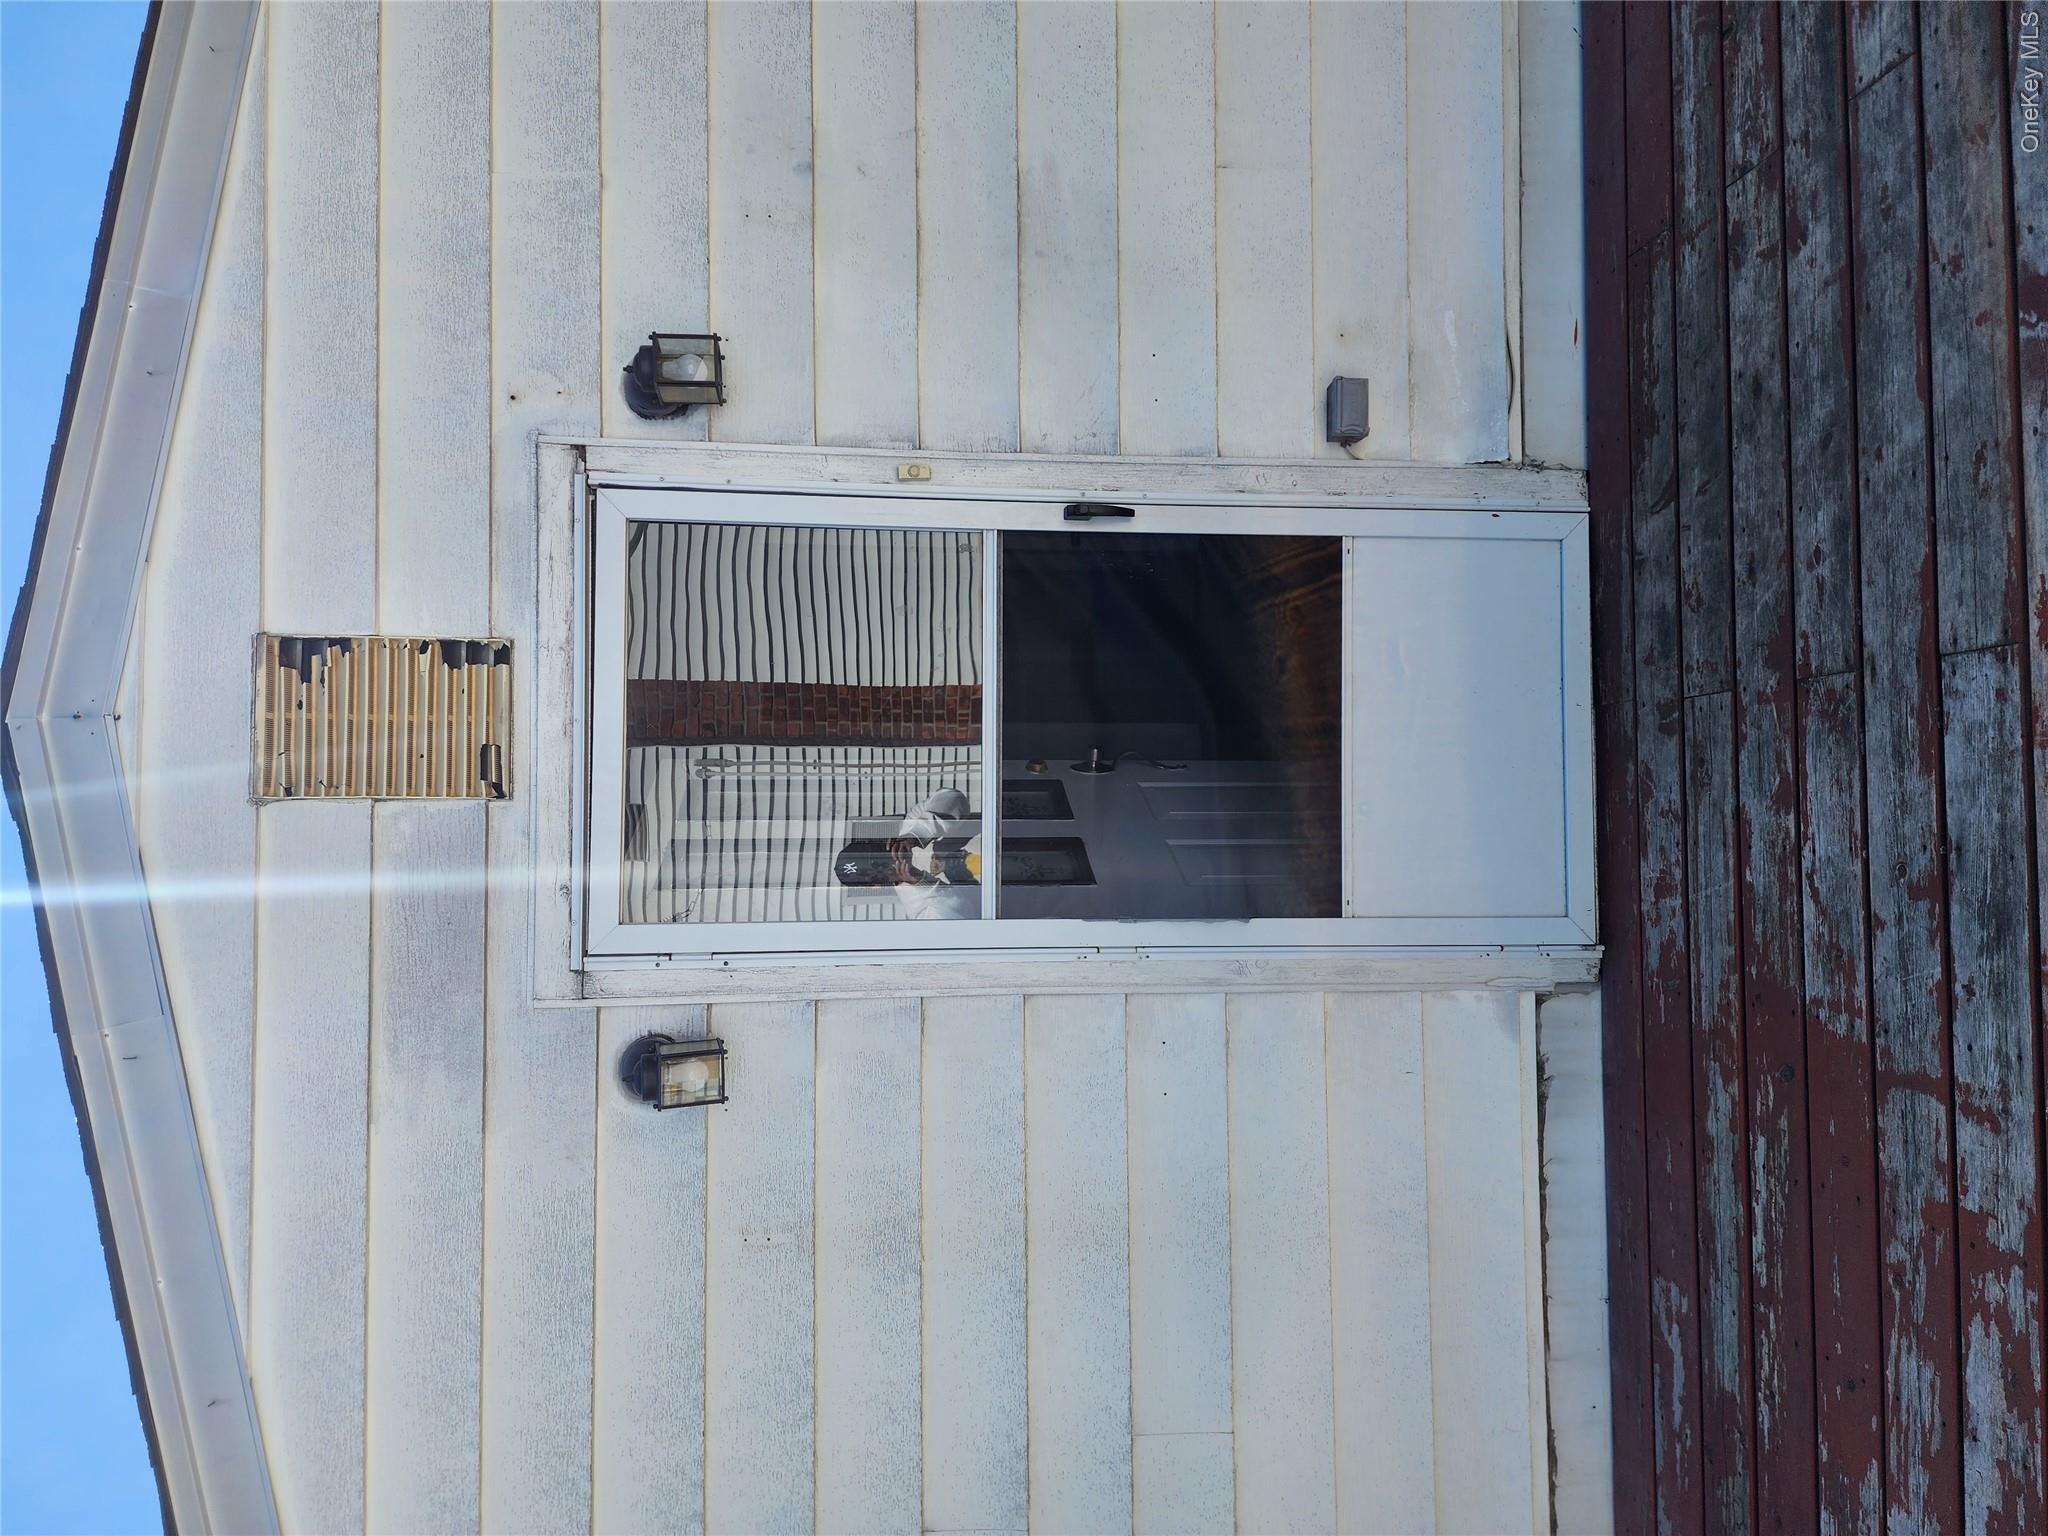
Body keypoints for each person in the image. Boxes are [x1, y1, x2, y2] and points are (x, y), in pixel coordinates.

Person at [832, 786, 981, 919]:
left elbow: (955, 799)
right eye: (881, 867)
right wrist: (921, 882)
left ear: (878, 841)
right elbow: (963, 917)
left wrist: (917, 835)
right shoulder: (915, 906)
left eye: (879, 852)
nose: (892, 859)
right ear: (876, 884)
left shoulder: (912, 824)